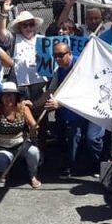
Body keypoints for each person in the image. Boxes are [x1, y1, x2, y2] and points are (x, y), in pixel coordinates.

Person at [44, 42, 104, 177]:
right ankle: (72, 166)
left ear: (69, 53)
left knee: (92, 138)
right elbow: (51, 91)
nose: (58, 59)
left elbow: (85, 92)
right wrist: (35, 103)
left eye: (61, 55)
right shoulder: (58, 71)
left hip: (92, 108)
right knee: (72, 136)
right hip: (74, 112)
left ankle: (98, 165)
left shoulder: (82, 66)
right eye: (55, 56)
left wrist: (60, 104)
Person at [0, 82, 41, 189]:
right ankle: (4, 174)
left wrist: (34, 128)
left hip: (21, 144)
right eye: (5, 95)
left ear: (16, 97)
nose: (8, 98)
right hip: (3, 147)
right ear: (0, 97)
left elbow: (33, 124)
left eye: (11, 95)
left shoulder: (23, 108)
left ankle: (33, 175)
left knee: (34, 152)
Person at [0, 0, 47, 104]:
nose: (28, 28)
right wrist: (3, 13)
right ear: (20, 28)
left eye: (31, 25)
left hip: (38, 84)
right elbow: (2, 32)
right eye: (25, 25)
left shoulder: (42, 40)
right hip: (19, 84)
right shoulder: (15, 39)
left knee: (37, 112)